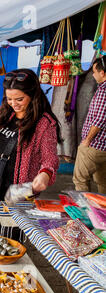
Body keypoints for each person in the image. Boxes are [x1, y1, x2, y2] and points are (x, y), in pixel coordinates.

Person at [0, 69, 61, 236]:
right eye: (9, 99)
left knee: (11, 241)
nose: (13, 103)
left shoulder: (44, 123)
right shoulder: (3, 114)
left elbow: (50, 159)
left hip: (17, 194)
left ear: (33, 95)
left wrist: (45, 174)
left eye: (19, 99)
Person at [73, 56, 106, 194]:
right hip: (103, 147)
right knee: (103, 182)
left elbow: (100, 119)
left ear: (102, 73)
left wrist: (87, 140)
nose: (93, 75)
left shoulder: (104, 91)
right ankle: (102, 213)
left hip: (95, 145)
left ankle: (85, 212)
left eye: (94, 72)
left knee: (80, 179)